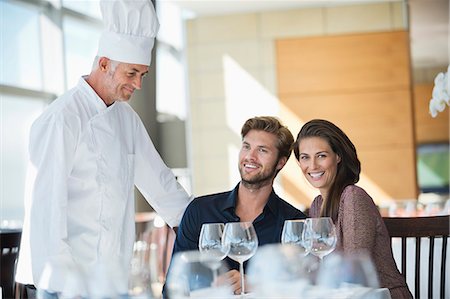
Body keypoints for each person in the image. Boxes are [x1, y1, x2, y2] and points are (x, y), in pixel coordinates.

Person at [15, 0, 192, 297]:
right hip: (67, 285)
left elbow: (161, 186)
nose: (137, 85)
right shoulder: (61, 119)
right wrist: (69, 287)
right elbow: (46, 211)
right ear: (104, 64)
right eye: (131, 73)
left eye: (142, 76)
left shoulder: (126, 119)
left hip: (113, 282)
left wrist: (204, 225)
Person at [166, 116, 306, 295]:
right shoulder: (200, 211)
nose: (250, 156)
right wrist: (211, 287)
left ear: (281, 162)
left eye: (262, 150)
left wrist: (258, 284)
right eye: (246, 146)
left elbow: (302, 290)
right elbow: (173, 287)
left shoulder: (294, 223)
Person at [293, 119, 412, 298]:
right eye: (305, 157)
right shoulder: (317, 205)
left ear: (338, 156)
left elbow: (352, 271)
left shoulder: (352, 197)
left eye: (321, 155)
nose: (313, 166)